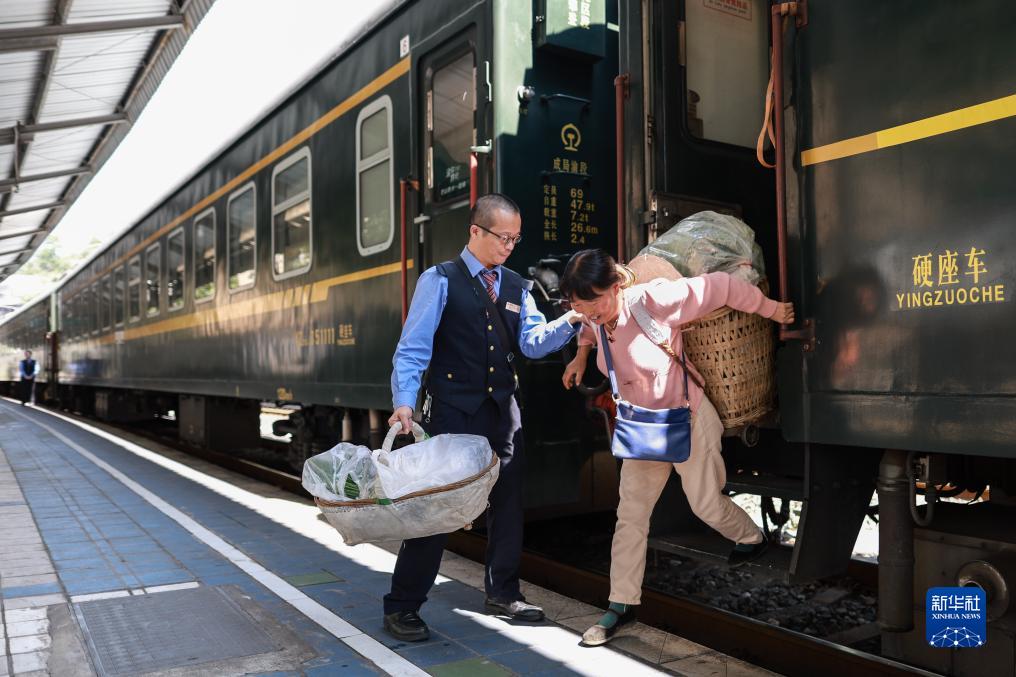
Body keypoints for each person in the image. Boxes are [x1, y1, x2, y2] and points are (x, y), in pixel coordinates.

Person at [559, 248, 794, 646]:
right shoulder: (594, 315)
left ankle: (751, 538)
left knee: (706, 505)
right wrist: (581, 356)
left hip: (688, 420)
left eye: (594, 301)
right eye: (579, 304)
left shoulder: (653, 301)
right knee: (630, 517)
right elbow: (587, 326)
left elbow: (721, 287)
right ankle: (621, 605)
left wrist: (773, 310)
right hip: (642, 429)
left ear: (615, 287)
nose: (589, 311)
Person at [385, 193, 585, 642]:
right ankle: (402, 604)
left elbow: (532, 343)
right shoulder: (439, 280)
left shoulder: (516, 285)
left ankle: (503, 593)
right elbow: (413, 348)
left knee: (508, 503)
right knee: (437, 506)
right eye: (502, 237)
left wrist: (571, 320)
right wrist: (405, 401)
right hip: (454, 410)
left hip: (503, 412)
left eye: (516, 239)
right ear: (475, 231)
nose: (509, 246)